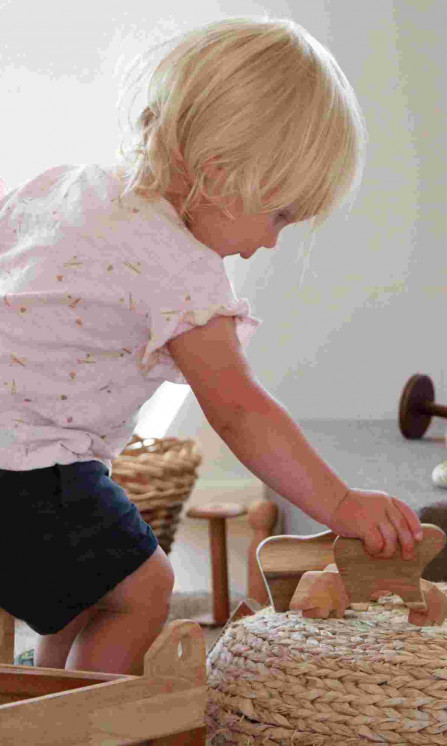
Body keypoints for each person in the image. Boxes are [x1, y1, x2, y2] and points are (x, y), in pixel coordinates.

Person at [0, 16, 422, 677]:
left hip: (19, 461)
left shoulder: (67, 188)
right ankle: (85, 719)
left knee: (91, 579)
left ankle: (46, 693)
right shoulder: (180, 266)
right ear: (221, 175)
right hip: (26, 469)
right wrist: (340, 505)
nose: (275, 240)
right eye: (279, 214)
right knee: (144, 590)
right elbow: (239, 410)